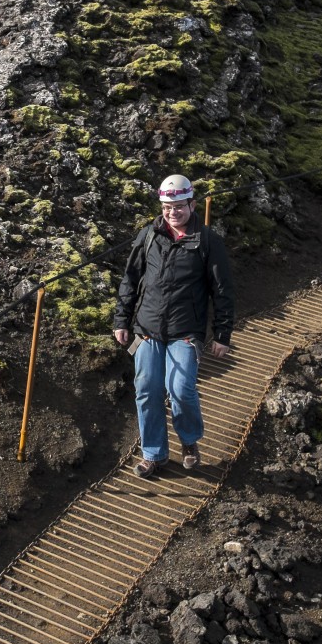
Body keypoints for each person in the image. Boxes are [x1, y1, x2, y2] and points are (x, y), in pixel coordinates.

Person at [113, 175, 235, 478]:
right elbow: (130, 279)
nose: (172, 212)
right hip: (147, 328)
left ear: (192, 204)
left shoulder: (208, 240)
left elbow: (222, 290)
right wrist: (121, 320)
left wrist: (222, 334)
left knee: (180, 389)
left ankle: (189, 441)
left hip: (186, 331)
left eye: (179, 206)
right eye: (167, 207)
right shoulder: (148, 235)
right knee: (146, 390)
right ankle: (153, 454)